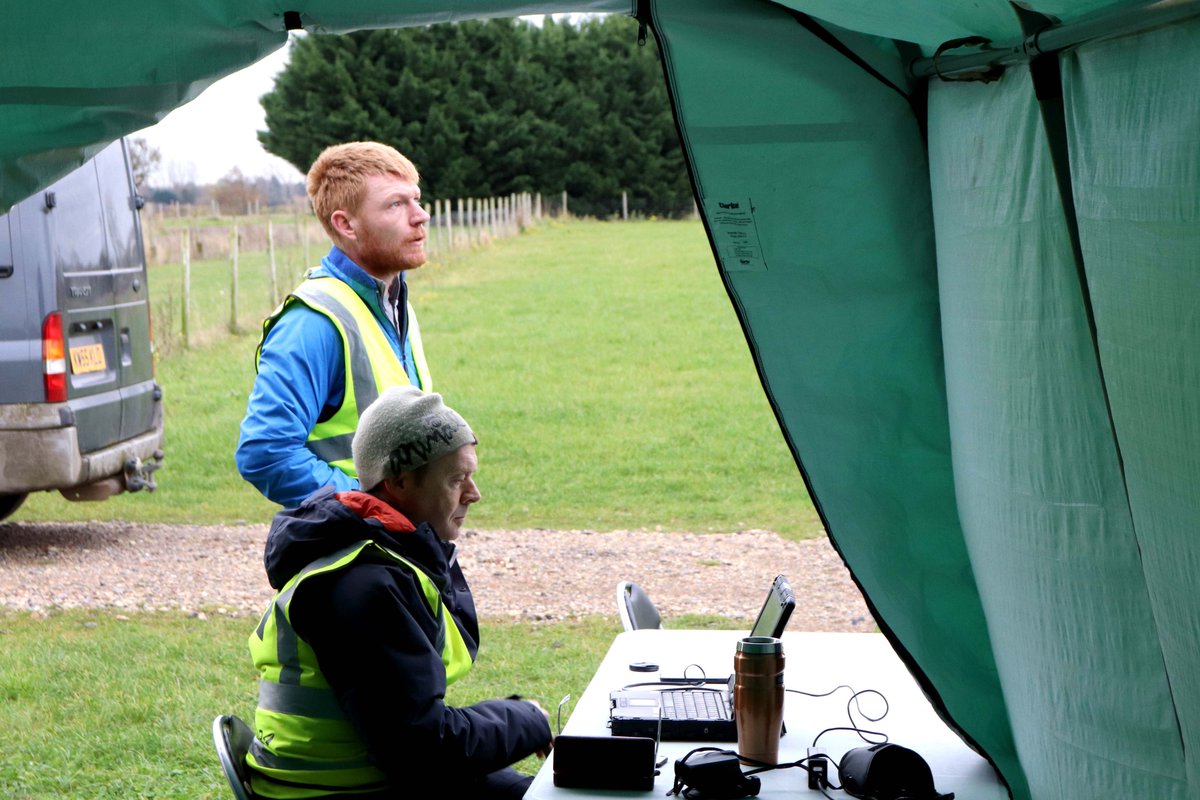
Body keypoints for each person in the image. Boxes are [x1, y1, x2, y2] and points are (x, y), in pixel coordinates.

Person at [246, 385, 553, 799]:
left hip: (361, 776)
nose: (473, 494)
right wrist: (526, 718)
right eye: (456, 479)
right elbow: (423, 751)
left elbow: (412, 730)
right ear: (400, 481)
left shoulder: (380, 560)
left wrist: (517, 718)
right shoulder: (362, 584)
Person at [237, 141, 435, 508]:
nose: (420, 215)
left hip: (400, 549)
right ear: (345, 225)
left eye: (416, 199)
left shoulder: (390, 301)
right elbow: (266, 453)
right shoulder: (313, 321)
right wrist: (371, 508)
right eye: (396, 204)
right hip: (353, 555)